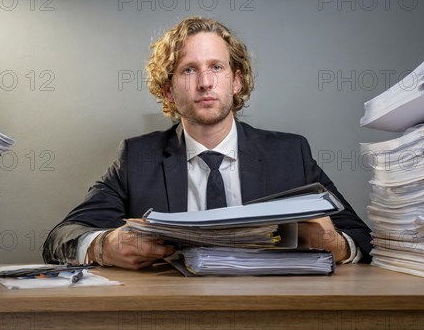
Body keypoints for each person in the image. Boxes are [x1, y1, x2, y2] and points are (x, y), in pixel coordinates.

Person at [42, 17, 372, 269]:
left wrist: (337, 245)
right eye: (188, 70)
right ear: (168, 90)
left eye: (216, 66)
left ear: (236, 81)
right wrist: (104, 246)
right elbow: (59, 238)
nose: (205, 82)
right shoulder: (137, 158)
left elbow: (362, 238)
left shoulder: (289, 154)